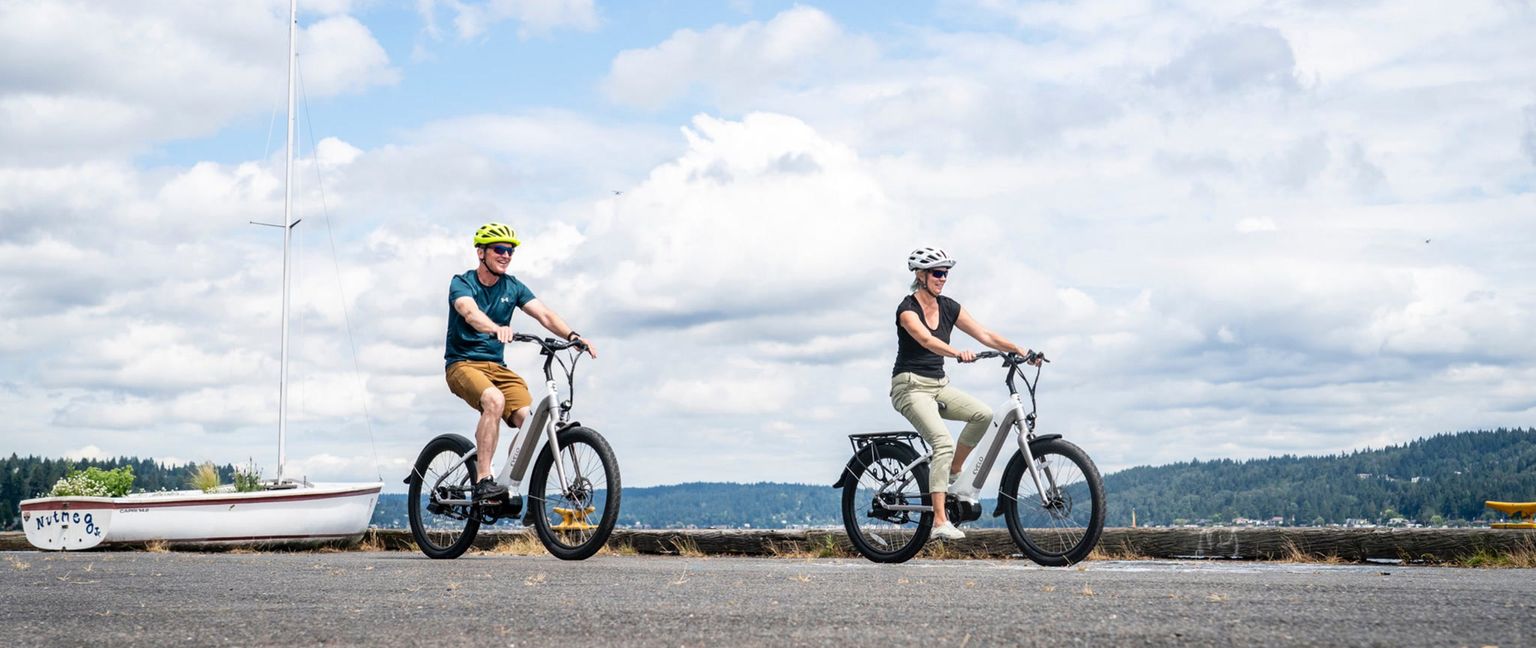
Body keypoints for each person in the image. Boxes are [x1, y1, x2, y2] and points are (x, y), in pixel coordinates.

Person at [890, 247, 1039, 541]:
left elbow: (984, 334)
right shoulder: (907, 310)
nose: (942, 278)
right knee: (943, 442)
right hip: (910, 386)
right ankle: (939, 521)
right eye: (937, 273)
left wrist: (1020, 349)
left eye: (946, 273)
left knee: (982, 415)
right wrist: (957, 353)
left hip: (938, 384)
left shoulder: (949, 307)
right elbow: (925, 339)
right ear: (920, 275)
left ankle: (952, 472)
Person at [444, 222, 597, 501]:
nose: (506, 255)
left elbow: (545, 315)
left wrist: (574, 336)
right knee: (494, 400)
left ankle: (504, 482)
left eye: (510, 251)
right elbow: (469, 312)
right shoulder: (462, 282)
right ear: (481, 253)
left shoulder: (512, 287)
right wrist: (494, 328)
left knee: (530, 422)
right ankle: (483, 479)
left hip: (496, 367)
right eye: (499, 249)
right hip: (462, 364)